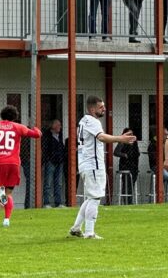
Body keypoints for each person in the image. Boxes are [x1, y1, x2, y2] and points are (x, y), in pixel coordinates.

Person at [68, 95, 136, 239]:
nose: (104, 109)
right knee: (95, 198)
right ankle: (90, 233)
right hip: (93, 164)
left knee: (90, 197)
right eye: (101, 107)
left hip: (85, 163)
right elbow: (102, 137)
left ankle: (76, 228)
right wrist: (120, 138)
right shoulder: (93, 121)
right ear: (92, 109)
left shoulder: (83, 120)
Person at [0, 105, 42, 227]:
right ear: (14, 117)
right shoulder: (18, 127)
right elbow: (37, 135)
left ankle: (5, 209)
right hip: (14, 163)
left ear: (1, 115)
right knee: (7, 193)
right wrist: (36, 129)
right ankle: (6, 219)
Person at [148, 127, 168, 202]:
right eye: (165, 134)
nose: (167, 136)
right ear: (160, 135)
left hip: (167, 167)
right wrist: (162, 165)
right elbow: (153, 158)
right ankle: (160, 194)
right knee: (166, 176)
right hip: (156, 166)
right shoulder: (152, 145)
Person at [42, 119, 66, 208]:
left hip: (59, 162)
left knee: (58, 183)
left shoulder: (60, 135)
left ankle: (58, 203)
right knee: (48, 183)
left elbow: (62, 148)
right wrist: (48, 159)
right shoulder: (47, 135)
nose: (60, 126)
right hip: (50, 162)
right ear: (52, 126)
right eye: (58, 125)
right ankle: (46, 203)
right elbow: (45, 148)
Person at [113, 128, 140, 204]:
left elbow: (137, 153)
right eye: (129, 134)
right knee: (126, 184)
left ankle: (130, 201)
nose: (131, 136)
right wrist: (124, 155)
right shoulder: (122, 142)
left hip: (134, 166)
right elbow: (115, 152)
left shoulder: (135, 143)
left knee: (132, 184)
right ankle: (126, 202)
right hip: (125, 166)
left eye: (132, 134)